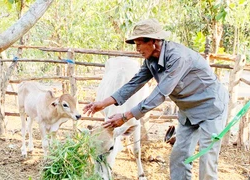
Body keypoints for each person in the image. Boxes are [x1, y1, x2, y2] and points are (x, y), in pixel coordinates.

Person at [83, 18, 229, 180]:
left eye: (139, 44)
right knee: (179, 158)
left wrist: (125, 117)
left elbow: (160, 94)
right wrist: (102, 104)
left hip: (211, 107)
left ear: (153, 41)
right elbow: (134, 83)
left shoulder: (177, 58)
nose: (137, 49)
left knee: (207, 159)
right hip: (188, 111)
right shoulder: (150, 61)